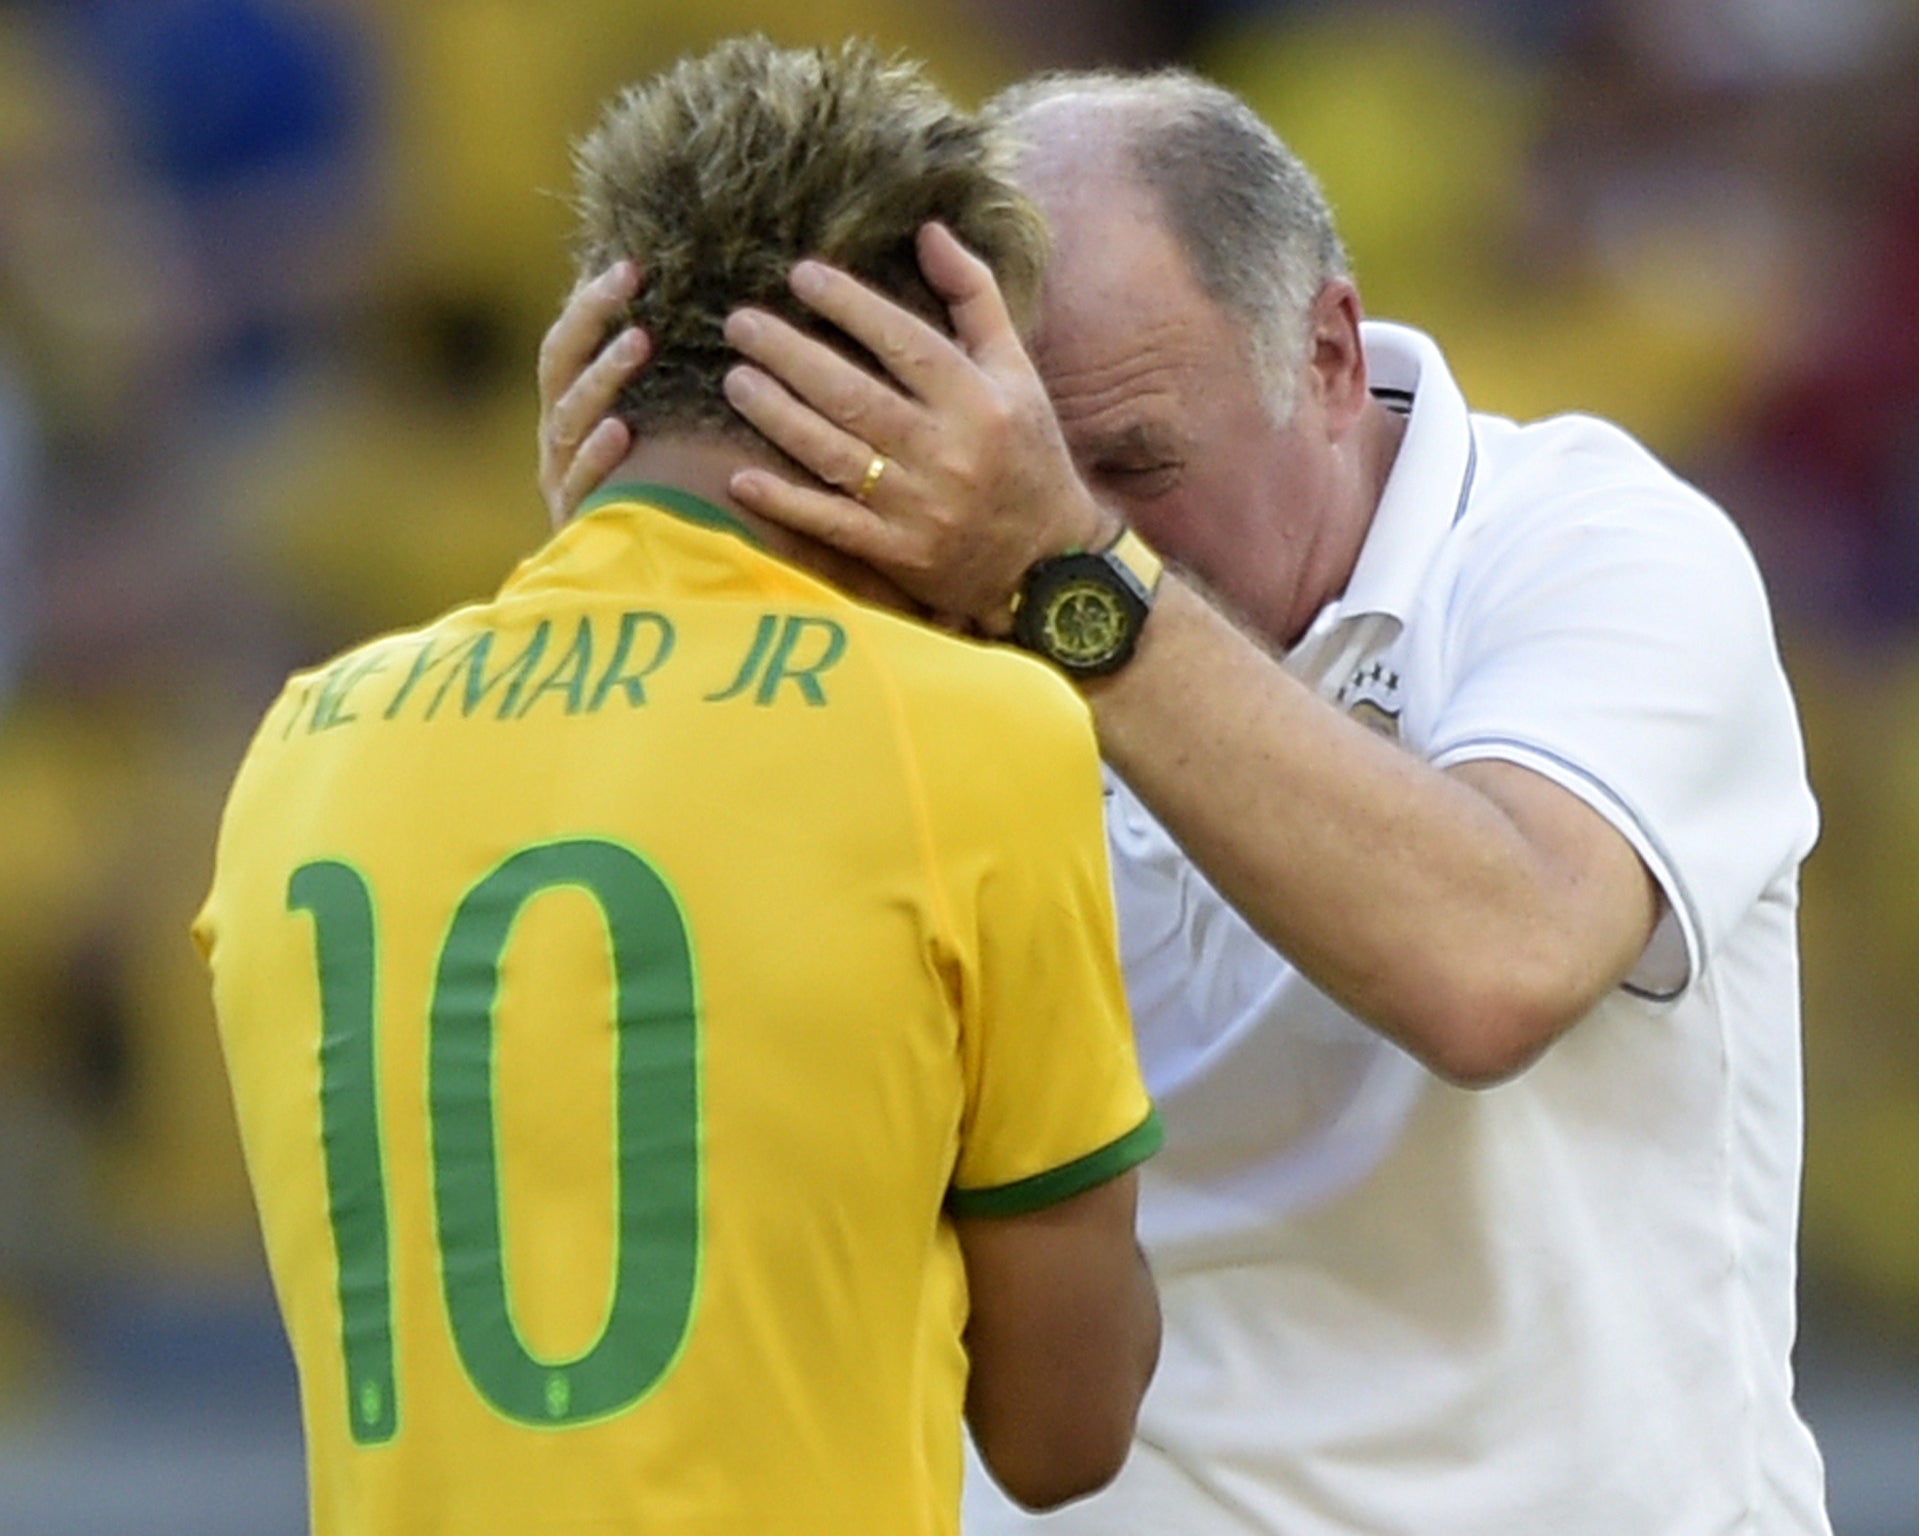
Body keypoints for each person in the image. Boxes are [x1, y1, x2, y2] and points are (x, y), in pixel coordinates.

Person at [541, 61, 1835, 1536]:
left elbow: (1503, 961)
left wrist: (1069, 582)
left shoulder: (1600, 546)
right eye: (1018, 450)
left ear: (1330, 352)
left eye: (1135, 458)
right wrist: (637, 604)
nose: (1057, 504)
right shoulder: (943, 606)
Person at [195, 39, 1162, 1536]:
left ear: (602, 358)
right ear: (926, 398)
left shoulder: (302, 743)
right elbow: (1062, 1433)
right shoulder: (975, 731)